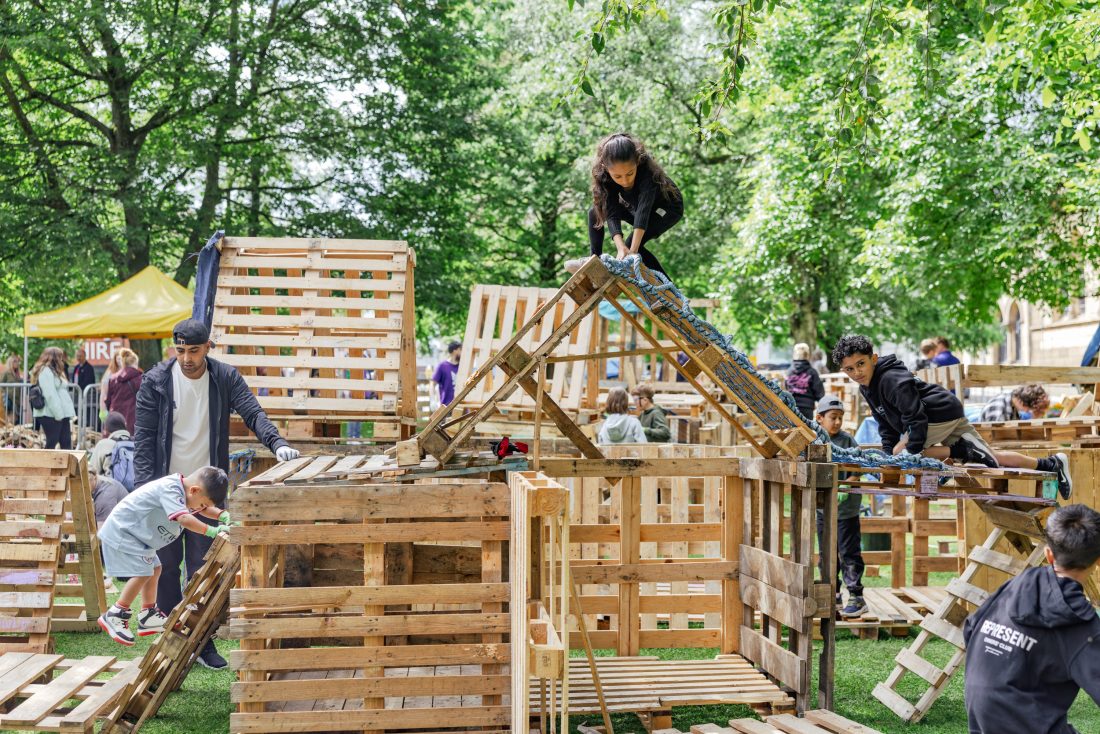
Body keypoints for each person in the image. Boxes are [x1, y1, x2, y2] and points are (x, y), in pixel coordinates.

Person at [134, 318, 298, 669]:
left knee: (203, 570)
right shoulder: (156, 382)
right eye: (180, 351)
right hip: (166, 491)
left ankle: (203, 642)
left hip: (206, 492)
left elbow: (253, 413)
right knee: (164, 565)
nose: (187, 358)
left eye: (193, 350)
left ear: (209, 346)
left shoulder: (224, 377)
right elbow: (143, 442)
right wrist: (144, 495)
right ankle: (171, 643)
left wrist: (277, 442)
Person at [831, 335, 1072, 498]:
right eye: (850, 369)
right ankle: (1050, 463)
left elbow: (916, 419)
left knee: (904, 452)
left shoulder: (891, 380)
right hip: (949, 414)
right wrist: (888, 454)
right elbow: (886, 424)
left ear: (873, 359)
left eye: (861, 364)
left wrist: (900, 454)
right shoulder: (868, 387)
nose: (857, 372)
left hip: (937, 414)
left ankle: (963, 450)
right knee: (991, 458)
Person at [963, 504, 1100, 734]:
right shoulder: (1082, 628)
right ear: (1097, 561)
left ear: (1048, 553)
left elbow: (970, 628)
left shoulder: (1014, 585)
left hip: (981, 722)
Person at [96, 467, 230, 645]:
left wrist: (223, 515)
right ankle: (116, 614)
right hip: (124, 532)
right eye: (203, 504)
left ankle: (148, 614)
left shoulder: (187, 493)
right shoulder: (171, 489)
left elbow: (203, 510)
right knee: (144, 572)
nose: (202, 509)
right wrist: (212, 531)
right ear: (195, 491)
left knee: (156, 568)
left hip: (138, 537)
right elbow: (183, 519)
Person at [577, 132, 683, 277]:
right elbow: (612, 212)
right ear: (606, 168)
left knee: (632, 245)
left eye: (630, 173)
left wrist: (631, 251)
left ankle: (668, 290)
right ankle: (593, 263)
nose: (625, 181)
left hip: (666, 210)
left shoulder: (648, 172)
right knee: (595, 212)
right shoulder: (605, 177)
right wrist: (620, 249)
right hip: (636, 207)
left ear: (637, 162)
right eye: (618, 176)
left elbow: (643, 212)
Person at [814, 395, 867, 617]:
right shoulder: (815, 441)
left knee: (848, 552)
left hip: (845, 510)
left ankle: (856, 596)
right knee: (827, 553)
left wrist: (846, 488)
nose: (837, 422)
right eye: (833, 417)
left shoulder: (848, 441)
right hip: (823, 510)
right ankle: (831, 593)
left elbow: (858, 468)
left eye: (840, 418)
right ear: (819, 418)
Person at [30, 347, 76, 449]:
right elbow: (50, 395)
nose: (62, 359)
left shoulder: (56, 371)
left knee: (66, 442)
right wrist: (58, 414)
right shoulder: (45, 371)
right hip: (51, 413)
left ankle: (68, 465)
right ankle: (44, 464)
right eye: (60, 356)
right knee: (52, 441)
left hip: (60, 413)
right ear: (54, 358)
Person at [105, 349, 143, 433]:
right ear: (135, 363)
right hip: (133, 418)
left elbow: (108, 401)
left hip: (116, 420)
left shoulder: (113, 378)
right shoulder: (140, 379)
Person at [785, 343, 825, 420]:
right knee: (806, 431)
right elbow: (819, 393)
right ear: (808, 355)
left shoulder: (789, 372)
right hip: (807, 408)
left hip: (791, 407)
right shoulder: (812, 372)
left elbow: (786, 388)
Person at [89, 411, 131, 478]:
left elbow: (92, 472)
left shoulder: (103, 444)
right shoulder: (136, 443)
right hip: (138, 487)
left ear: (106, 428)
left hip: (110, 487)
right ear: (125, 425)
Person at [979, 383, 1050, 423]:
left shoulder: (1011, 402)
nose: (1027, 411)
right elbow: (994, 438)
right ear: (1022, 403)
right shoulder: (1000, 410)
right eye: (1029, 409)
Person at [70, 348, 98, 431]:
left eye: (80, 356)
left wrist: (78, 387)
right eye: (77, 356)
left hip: (86, 395)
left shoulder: (89, 368)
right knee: (77, 411)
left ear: (85, 356)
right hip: (77, 394)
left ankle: (88, 427)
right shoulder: (76, 367)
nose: (78, 358)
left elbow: (88, 381)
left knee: (87, 411)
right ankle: (77, 426)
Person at [431, 341, 462, 408]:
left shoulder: (462, 367)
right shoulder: (442, 366)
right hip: (446, 408)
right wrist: (433, 400)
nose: (462, 353)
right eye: (460, 350)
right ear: (455, 351)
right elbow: (432, 384)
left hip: (462, 407)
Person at [99, 349, 127, 421]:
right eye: (118, 359)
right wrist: (103, 409)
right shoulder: (109, 373)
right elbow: (103, 393)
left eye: (121, 358)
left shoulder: (128, 371)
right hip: (113, 405)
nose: (120, 361)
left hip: (124, 406)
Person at [1, 354, 25, 424]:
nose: (17, 363)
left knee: (17, 418)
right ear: (10, 363)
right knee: (10, 418)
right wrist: (4, 394)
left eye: (18, 362)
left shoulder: (18, 374)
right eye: (15, 361)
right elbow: (1, 384)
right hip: (9, 399)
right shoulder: (6, 373)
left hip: (17, 399)